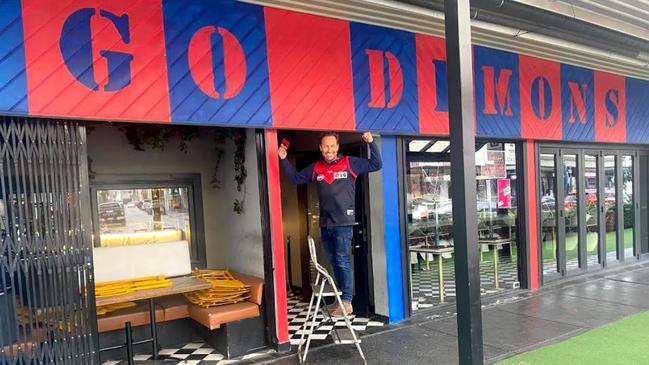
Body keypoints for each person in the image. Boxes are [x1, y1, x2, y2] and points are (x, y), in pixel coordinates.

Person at [279, 131, 382, 316]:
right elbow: (295, 178)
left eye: (332, 146)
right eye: (326, 146)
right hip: (325, 224)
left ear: (337, 147)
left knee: (342, 261)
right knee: (334, 262)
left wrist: (371, 142)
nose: (329, 149)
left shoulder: (350, 163)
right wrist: (284, 159)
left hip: (343, 223)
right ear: (320, 148)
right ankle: (339, 298)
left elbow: (376, 164)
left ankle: (347, 301)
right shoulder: (316, 168)